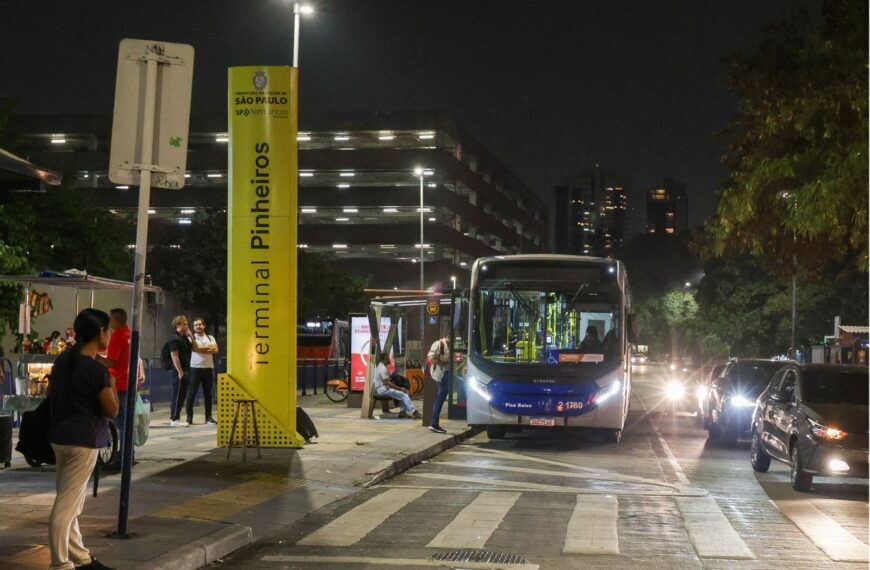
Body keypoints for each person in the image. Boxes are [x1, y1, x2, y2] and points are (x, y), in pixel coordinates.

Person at [48, 308, 118, 570]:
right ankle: (59, 563)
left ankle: (81, 557)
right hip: (84, 440)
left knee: (70, 500)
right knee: (66, 506)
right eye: (108, 329)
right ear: (99, 333)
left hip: (59, 437)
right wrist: (111, 381)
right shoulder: (96, 370)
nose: (110, 333)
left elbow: (51, 393)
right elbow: (112, 410)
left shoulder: (62, 360)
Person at [99, 308, 131, 468]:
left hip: (117, 382)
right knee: (125, 421)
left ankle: (122, 457)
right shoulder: (128, 334)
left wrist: (96, 358)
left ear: (116, 320)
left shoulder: (118, 336)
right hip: (126, 381)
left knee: (121, 422)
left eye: (110, 319)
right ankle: (126, 454)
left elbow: (111, 361)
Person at [185, 317, 218, 426]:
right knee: (191, 393)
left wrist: (200, 348)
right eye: (196, 325)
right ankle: (189, 418)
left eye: (200, 324)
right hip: (195, 368)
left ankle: (208, 417)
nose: (198, 326)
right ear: (193, 327)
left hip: (208, 368)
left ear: (204, 326)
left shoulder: (210, 337)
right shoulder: (191, 338)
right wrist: (206, 348)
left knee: (208, 394)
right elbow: (195, 349)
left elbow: (215, 350)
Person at [374, 353, 420, 419]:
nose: (389, 360)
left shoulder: (380, 366)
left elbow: (387, 380)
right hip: (383, 390)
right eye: (387, 359)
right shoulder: (382, 368)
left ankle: (402, 413)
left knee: (403, 394)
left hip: (382, 389)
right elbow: (387, 383)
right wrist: (400, 388)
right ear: (383, 360)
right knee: (404, 395)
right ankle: (415, 412)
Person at [168, 316, 192, 427]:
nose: (186, 325)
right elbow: (174, 356)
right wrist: (179, 371)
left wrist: (191, 335)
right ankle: (174, 418)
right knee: (177, 394)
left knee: (182, 394)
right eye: (184, 324)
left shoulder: (184, 338)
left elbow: (195, 348)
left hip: (186, 369)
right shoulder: (174, 339)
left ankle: (177, 417)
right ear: (178, 325)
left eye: (187, 324)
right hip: (179, 371)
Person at [427, 334, 451, 434]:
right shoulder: (438, 344)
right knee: (440, 397)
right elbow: (431, 358)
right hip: (441, 374)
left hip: (448, 373)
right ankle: (434, 423)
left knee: (441, 397)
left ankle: (434, 423)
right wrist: (445, 363)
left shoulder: (451, 345)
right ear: (448, 336)